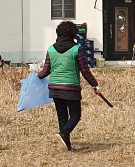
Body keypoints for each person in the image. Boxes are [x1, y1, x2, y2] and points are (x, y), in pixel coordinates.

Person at [38, 20, 100, 151]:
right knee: (76, 115)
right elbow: (85, 71)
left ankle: (67, 144)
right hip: (71, 88)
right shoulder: (76, 49)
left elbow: (45, 71)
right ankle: (64, 134)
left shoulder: (50, 49)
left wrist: (35, 77)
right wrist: (95, 85)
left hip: (54, 88)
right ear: (73, 34)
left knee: (62, 116)